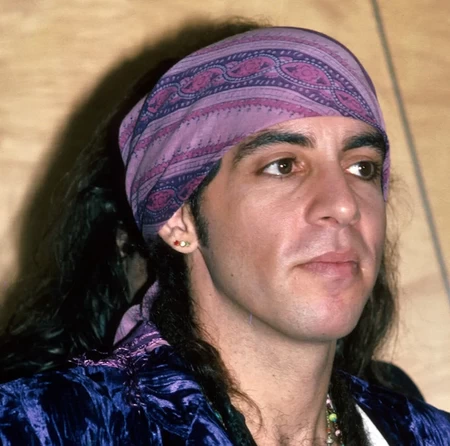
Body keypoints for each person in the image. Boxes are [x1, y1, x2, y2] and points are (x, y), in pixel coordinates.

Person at [0, 23, 449, 446]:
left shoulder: (426, 434)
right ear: (180, 219)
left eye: (362, 168)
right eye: (283, 166)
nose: (345, 204)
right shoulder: (41, 427)